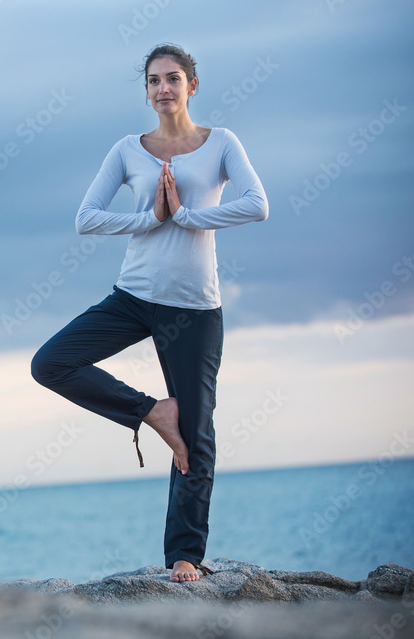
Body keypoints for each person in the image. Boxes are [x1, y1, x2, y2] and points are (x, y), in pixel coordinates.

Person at [30, 43, 268, 583]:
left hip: (195, 306)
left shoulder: (221, 143)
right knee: (50, 363)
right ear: (145, 89)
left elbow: (258, 204)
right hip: (133, 296)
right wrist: (150, 217)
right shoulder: (127, 150)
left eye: (174, 78)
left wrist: (185, 215)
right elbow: (86, 219)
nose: (164, 88)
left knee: (199, 432)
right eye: (154, 80)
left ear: (192, 86)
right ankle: (151, 412)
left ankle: (185, 555)